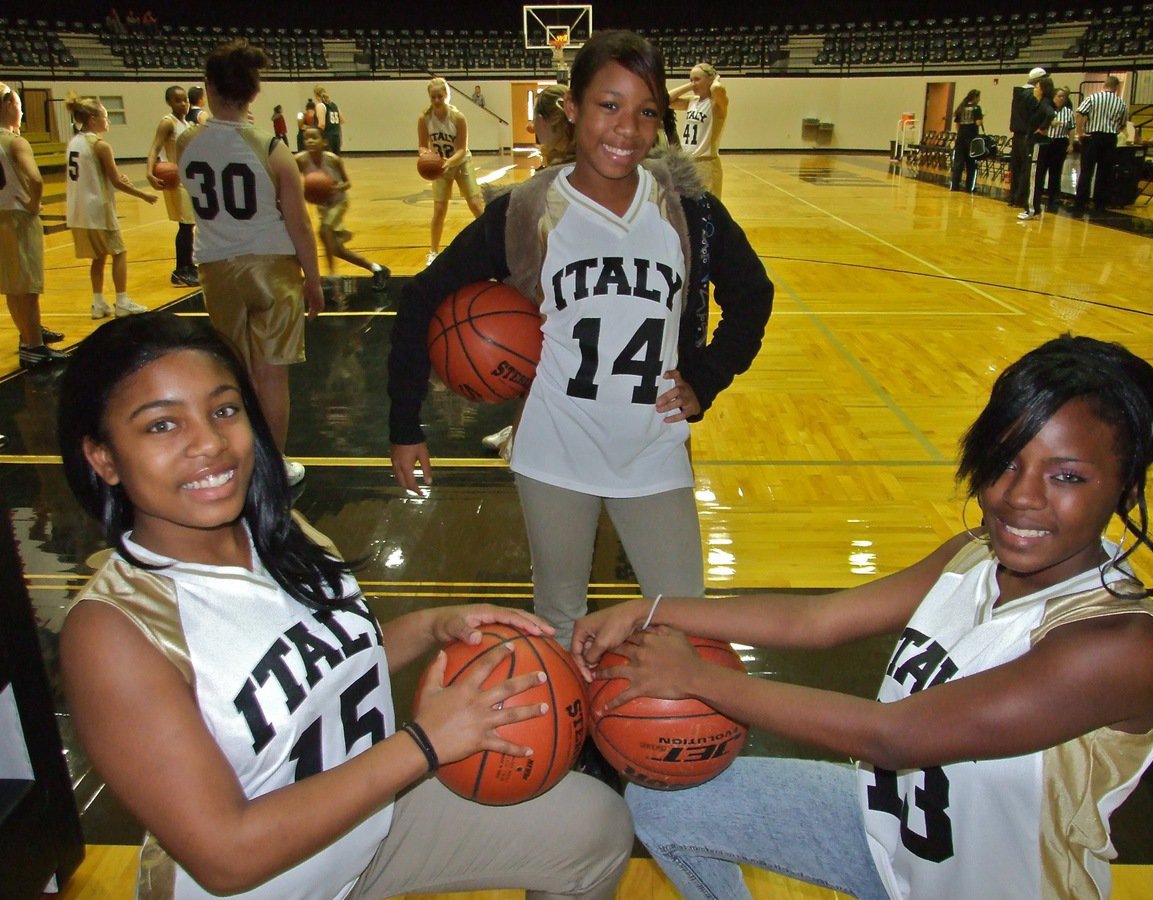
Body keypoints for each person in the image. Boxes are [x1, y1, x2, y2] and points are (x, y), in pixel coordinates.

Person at [572, 333, 1153, 900]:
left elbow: (894, 736)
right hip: (887, 839)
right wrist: (646, 608)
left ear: (1127, 489)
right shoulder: (971, 555)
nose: (1020, 495)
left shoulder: (1122, 646)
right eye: (1004, 461)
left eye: (1067, 476)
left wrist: (699, 677)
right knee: (666, 807)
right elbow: (818, 622)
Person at [55, 311, 633, 900]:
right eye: (161, 426)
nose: (207, 442)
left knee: (591, 827)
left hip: (367, 833)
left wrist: (437, 625)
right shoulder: (114, 631)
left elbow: (335, 667)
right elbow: (225, 856)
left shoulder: (284, 535)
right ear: (102, 457)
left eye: (223, 410)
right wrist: (425, 744)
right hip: (264, 881)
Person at [389, 30, 773, 643]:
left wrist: (707, 376)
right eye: (609, 105)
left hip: (654, 449)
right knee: (559, 627)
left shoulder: (688, 210)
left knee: (684, 627)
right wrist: (404, 424)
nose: (627, 128)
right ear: (572, 108)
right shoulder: (527, 211)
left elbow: (754, 298)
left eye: (647, 111)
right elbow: (419, 297)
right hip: (554, 449)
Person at [177, 40, 324, 488]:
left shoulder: (186, 142)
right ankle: (272, 466)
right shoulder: (272, 148)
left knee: (234, 374)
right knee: (271, 375)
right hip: (271, 268)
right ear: (254, 93)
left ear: (208, 87)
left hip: (217, 269)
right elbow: (298, 224)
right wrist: (314, 282)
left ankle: (237, 460)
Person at [481, 82, 576, 460]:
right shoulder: (571, 165)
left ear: (547, 122)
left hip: (556, 287)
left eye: (536, 121)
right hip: (567, 285)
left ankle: (524, 437)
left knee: (540, 352)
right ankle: (529, 424)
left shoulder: (557, 178)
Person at [65, 93, 157, 321]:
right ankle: (123, 301)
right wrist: (143, 195)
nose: (108, 121)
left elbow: (99, 175)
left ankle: (98, 303)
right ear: (93, 118)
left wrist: (111, 179)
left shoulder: (73, 142)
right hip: (98, 208)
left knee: (98, 257)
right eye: (105, 116)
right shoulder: (100, 145)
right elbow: (116, 181)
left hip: (78, 211)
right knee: (119, 252)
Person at [1, 82, 68, 369]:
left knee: (11, 286)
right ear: (6, 106)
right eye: (18, 104)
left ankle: (28, 334)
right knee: (27, 287)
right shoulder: (15, 142)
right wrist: (33, 202)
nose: (22, 109)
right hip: (18, 217)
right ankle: (34, 347)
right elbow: (37, 179)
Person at [295, 126, 389, 290]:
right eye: (306, 138)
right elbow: (292, 182)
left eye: (314, 137)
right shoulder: (300, 160)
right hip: (323, 207)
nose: (309, 141)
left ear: (323, 141)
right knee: (337, 250)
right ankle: (377, 269)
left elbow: (347, 183)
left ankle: (332, 276)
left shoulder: (332, 159)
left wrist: (336, 188)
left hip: (339, 202)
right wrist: (306, 193)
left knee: (324, 230)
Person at [418, 76, 484, 267]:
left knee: (476, 205)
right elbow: (422, 146)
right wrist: (427, 156)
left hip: (461, 162)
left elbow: (462, 149)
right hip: (440, 165)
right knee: (439, 209)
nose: (437, 100)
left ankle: (491, 244)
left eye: (440, 96)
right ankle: (433, 252)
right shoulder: (424, 118)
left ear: (447, 95)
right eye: (433, 97)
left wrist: (450, 162)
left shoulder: (458, 118)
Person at [145, 85, 198, 288]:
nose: (183, 103)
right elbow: (155, 148)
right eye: (178, 100)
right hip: (176, 180)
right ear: (169, 102)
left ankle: (189, 265)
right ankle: (180, 270)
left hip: (189, 178)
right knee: (184, 226)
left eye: (185, 100)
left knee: (190, 225)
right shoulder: (168, 123)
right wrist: (149, 172)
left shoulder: (186, 123)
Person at [668, 63, 728, 198]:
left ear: (710, 80)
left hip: (706, 164)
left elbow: (718, 89)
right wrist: (690, 86)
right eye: (691, 79)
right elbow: (665, 100)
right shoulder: (692, 101)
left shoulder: (717, 104)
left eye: (697, 79)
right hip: (687, 162)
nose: (693, 83)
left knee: (707, 211)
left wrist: (716, 80)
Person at [1072, 75, 1128, 214]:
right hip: (1110, 138)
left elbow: (1079, 114)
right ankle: (1100, 204)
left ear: (1104, 84)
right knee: (1105, 173)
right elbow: (1122, 124)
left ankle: (1080, 203)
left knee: (1086, 171)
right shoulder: (1121, 103)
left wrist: (1080, 133)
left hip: (1093, 137)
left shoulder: (1093, 97)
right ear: (1116, 87)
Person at [1028, 87, 1075, 216]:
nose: (1061, 99)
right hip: (1046, 141)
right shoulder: (1047, 109)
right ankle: (1037, 196)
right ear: (1053, 97)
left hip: (1060, 142)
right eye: (1059, 96)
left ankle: (1053, 198)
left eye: (1064, 97)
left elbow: (1071, 129)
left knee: (1056, 171)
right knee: (1041, 170)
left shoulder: (1068, 112)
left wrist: (1071, 144)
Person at [1017, 76, 1058, 221]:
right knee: (1033, 176)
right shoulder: (1039, 103)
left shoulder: (1045, 103)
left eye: (1036, 87)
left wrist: (1042, 128)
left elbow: (1051, 114)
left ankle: (1032, 210)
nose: (1034, 89)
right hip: (1034, 142)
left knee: (1034, 177)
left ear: (1042, 89)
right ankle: (1034, 208)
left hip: (1038, 144)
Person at [1008, 66, 1046, 208]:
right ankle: (1021, 198)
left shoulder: (1018, 93)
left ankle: (1013, 197)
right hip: (1027, 135)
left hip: (1017, 135)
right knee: (1026, 168)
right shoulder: (1032, 96)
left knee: (1016, 167)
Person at [949, 89, 984, 192]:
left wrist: (961, 133)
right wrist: (982, 118)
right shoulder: (976, 108)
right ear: (975, 98)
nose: (979, 99)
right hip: (971, 139)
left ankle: (955, 185)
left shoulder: (961, 108)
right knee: (971, 163)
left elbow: (957, 125)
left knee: (958, 163)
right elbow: (978, 123)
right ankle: (969, 187)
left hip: (961, 138)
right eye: (979, 97)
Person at [313, 85, 343, 154]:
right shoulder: (334, 105)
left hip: (327, 137)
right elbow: (341, 121)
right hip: (336, 137)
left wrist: (316, 137)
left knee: (326, 161)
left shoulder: (320, 105)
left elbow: (322, 124)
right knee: (334, 161)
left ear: (316, 95)